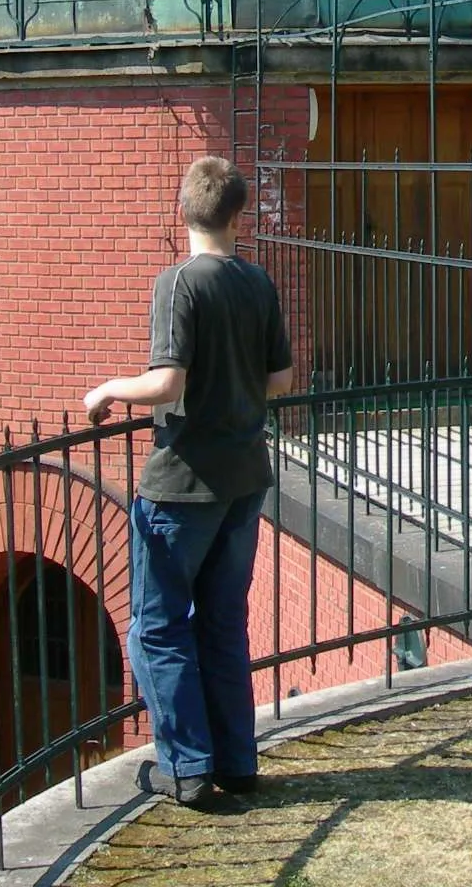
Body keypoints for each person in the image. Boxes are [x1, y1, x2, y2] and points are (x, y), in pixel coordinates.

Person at [83, 156, 295, 811]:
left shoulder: (179, 284)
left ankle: (189, 766)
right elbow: (280, 381)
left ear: (185, 211)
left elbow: (166, 384)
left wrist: (109, 390)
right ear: (238, 215)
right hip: (246, 475)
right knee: (224, 621)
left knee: (156, 625)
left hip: (183, 482)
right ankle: (238, 760)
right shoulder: (257, 282)